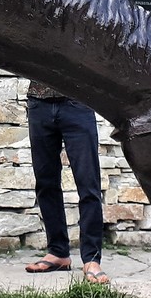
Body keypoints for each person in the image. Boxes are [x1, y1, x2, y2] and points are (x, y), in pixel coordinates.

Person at [23, 81, 110, 284]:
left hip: (78, 102)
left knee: (88, 185)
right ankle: (58, 252)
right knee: (45, 183)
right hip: (39, 103)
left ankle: (91, 259)